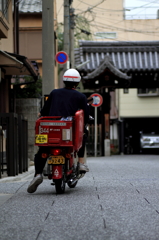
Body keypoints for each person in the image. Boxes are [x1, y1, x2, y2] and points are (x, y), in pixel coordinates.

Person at [27, 69, 89, 193]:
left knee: (43, 150)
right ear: (77, 83)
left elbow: (44, 111)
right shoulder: (81, 96)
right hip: (69, 133)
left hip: (50, 130)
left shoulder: (54, 93)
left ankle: (38, 174)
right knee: (83, 135)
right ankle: (81, 163)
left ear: (64, 81)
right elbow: (85, 116)